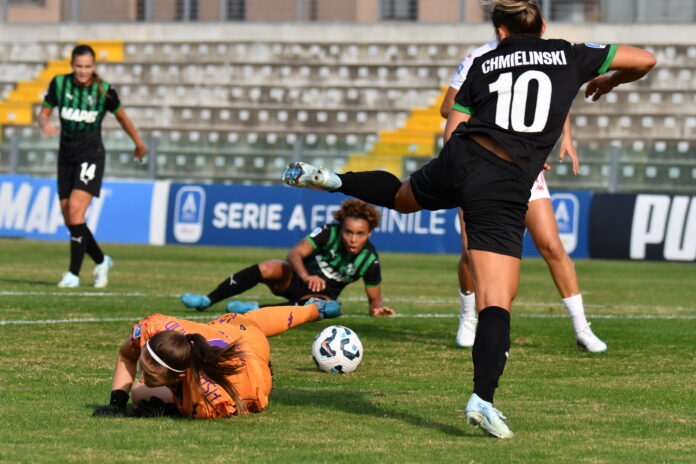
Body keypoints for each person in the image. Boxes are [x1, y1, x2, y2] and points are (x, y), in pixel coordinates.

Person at [281, 0, 655, 438]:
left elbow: (454, 123)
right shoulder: (570, 53)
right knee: (497, 298)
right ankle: (483, 399)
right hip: (504, 181)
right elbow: (645, 59)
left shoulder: (485, 60)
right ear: (542, 25)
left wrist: (457, 175)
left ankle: (335, 180)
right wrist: (609, 80)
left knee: (401, 196)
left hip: (463, 156)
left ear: (500, 31)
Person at [440, 40, 606, 353]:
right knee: (470, 249)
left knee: (552, 245)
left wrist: (566, 136)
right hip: (480, 164)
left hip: (525, 167)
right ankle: (468, 318)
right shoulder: (479, 57)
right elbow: (448, 107)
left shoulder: (543, 54)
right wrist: (497, 130)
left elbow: (555, 97)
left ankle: (582, 328)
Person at [92, 300, 341, 418]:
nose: (143, 376)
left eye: (151, 375)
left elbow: (257, 322)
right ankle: (311, 309)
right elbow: (126, 354)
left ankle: (312, 308)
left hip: (252, 361)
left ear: (180, 375)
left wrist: (169, 410)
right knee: (139, 392)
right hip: (217, 331)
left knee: (249, 322)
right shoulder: (152, 330)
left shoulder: (207, 400)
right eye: (144, 366)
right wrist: (116, 404)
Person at [39, 44, 147, 288]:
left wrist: (138, 143)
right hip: (66, 157)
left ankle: (73, 275)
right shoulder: (59, 84)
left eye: (88, 66)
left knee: (76, 212)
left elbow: (122, 117)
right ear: (72, 65)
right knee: (70, 219)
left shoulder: (104, 90)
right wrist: (44, 123)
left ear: (94, 66)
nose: (83, 71)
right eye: (79, 66)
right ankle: (101, 260)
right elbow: (43, 113)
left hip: (91, 155)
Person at [180, 199, 395, 317]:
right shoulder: (328, 232)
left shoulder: (370, 260)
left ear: (369, 234)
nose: (353, 239)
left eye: (359, 234)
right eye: (348, 232)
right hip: (296, 278)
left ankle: (255, 309)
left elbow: (374, 301)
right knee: (269, 267)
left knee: (329, 309)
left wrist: (378, 310)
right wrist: (306, 276)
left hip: (320, 295)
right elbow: (294, 253)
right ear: (341, 229)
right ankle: (207, 300)